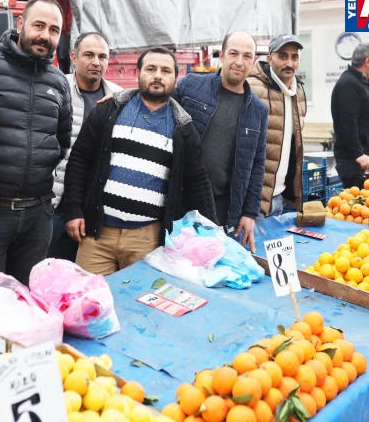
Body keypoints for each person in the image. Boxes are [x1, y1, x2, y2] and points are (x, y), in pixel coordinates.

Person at [63, 47, 216, 275]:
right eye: (151, 69)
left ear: (176, 79)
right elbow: (79, 160)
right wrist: (74, 209)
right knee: (88, 304)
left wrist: (212, 231)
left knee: (139, 305)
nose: (157, 75)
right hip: (97, 235)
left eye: (165, 71)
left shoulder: (183, 128)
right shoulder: (109, 111)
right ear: (138, 73)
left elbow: (198, 180)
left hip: (147, 239)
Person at [0, 0, 72, 285]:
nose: (44, 36)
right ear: (20, 23)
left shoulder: (59, 82)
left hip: (38, 216)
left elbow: (60, 142)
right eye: (38, 25)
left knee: (28, 302)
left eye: (53, 30)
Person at [173, 31, 268, 252]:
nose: (239, 62)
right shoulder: (191, 86)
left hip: (223, 209)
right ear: (221, 55)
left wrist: (249, 213)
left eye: (246, 56)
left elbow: (257, 165)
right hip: (182, 200)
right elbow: (157, 100)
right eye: (233, 53)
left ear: (254, 62)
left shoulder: (258, 111)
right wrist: (127, 96)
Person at [49, 32, 122, 261]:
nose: (96, 62)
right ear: (73, 57)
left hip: (98, 204)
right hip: (58, 202)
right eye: (88, 55)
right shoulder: (57, 91)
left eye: (102, 56)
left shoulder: (118, 97)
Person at [246, 34, 308, 217]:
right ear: (270, 58)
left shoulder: (298, 92)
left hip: (279, 196)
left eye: (294, 57)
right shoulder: (251, 88)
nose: (289, 63)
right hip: (253, 199)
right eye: (283, 56)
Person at [330, 43, 369, 189]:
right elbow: (348, 121)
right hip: (356, 162)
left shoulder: (360, 82)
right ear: (368, 61)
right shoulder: (349, 84)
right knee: (359, 205)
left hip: (365, 158)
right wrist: (358, 154)